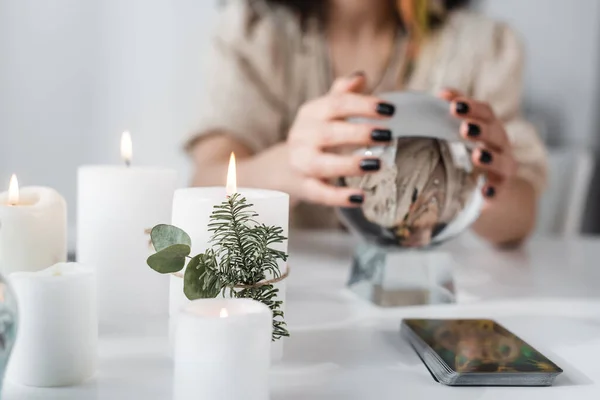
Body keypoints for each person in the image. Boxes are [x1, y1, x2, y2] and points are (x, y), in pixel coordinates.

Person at [186, 0, 547, 246]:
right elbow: (206, 182)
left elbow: (519, 220)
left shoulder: (482, 45)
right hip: (297, 293)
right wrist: (292, 166)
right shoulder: (254, 32)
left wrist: (489, 184)